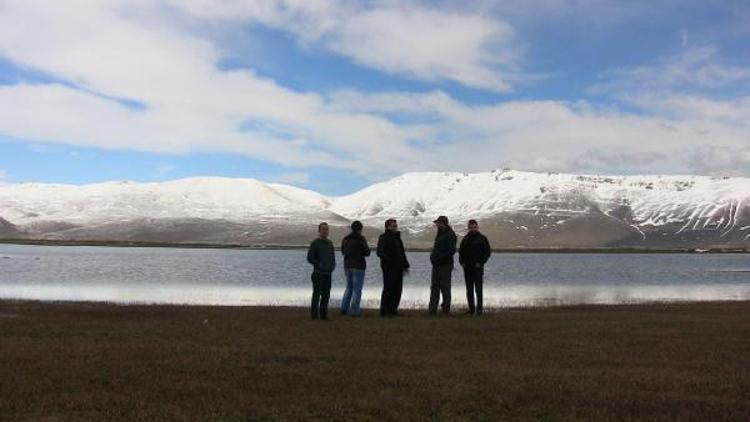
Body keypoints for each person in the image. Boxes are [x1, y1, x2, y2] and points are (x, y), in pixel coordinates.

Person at [377, 218, 410, 317]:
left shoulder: (397, 237)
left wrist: (405, 265)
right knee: (388, 289)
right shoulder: (383, 237)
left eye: (396, 226)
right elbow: (380, 252)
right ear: (387, 226)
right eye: (393, 226)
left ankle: (393, 309)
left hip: (399, 267)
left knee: (397, 289)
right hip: (388, 268)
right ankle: (384, 311)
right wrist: (390, 260)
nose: (395, 227)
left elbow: (401, 252)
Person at [458, 219, 492, 315]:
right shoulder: (465, 239)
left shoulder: (482, 239)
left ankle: (479, 309)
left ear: (477, 227)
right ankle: (471, 309)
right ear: (468, 228)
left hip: (478, 268)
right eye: (470, 227)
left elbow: (487, 252)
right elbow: (461, 252)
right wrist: (462, 263)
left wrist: (481, 263)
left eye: (474, 227)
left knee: (478, 289)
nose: (472, 229)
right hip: (467, 268)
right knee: (469, 290)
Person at [340, 220, 370, 316]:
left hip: (347, 266)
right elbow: (367, 252)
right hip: (358, 266)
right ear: (360, 229)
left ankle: (344, 308)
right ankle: (354, 311)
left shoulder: (345, 239)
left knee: (349, 287)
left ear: (351, 228)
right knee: (357, 289)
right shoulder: (361, 239)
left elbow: (343, 251)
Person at [306, 222, 335, 320]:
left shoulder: (330, 243)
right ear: (319, 231)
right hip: (318, 273)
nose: (325, 231)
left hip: (328, 273)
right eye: (323, 229)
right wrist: (319, 264)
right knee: (317, 294)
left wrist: (332, 265)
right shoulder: (315, 243)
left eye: (327, 229)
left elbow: (332, 257)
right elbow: (310, 258)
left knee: (326, 295)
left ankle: (324, 315)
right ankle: (314, 315)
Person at [428, 216, 457, 315]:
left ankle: (445, 310)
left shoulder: (450, 235)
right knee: (434, 287)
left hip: (445, 265)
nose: (437, 225)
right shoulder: (440, 233)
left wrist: (439, 258)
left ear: (443, 223)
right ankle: (432, 310)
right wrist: (432, 257)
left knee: (445, 288)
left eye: (438, 223)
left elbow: (451, 251)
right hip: (436, 265)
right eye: (437, 223)